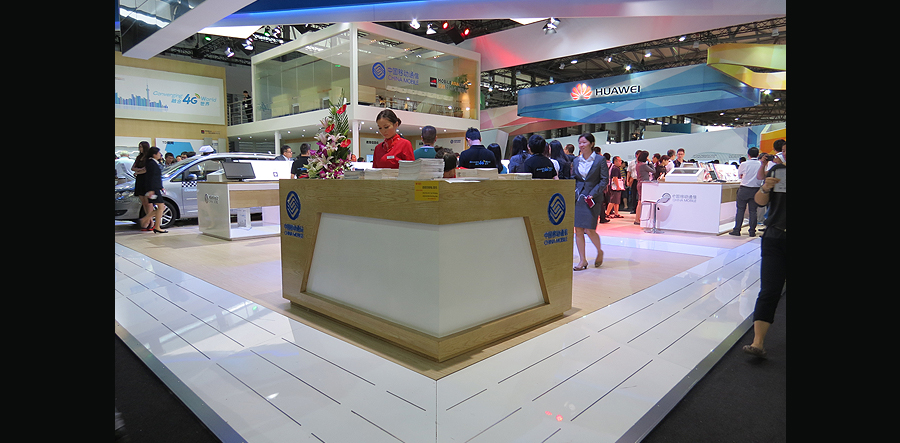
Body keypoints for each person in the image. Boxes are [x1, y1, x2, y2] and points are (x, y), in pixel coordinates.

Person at [743, 146, 786, 359]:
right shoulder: (777, 172)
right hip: (775, 238)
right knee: (769, 290)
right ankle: (757, 342)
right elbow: (760, 202)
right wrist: (766, 188)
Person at [572, 132, 607, 270]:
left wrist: (593, 194)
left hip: (593, 198)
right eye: (580, 143)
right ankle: (582, 260)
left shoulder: (600, 160)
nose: (581, 145)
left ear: (592, 144)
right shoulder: (576, 161)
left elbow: (604, 180)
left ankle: (599, 251)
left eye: (584, 142)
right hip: (579, 198)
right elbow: (574, 178)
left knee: (590, 229)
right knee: (578, 230)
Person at [729, 147, 764, 237]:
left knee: (740, 210)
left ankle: (737, 230)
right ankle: (752, 231)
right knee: (753, 211)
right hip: (756, 189)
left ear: (748, 155)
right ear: (758, 155)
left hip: (744, 189)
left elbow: (739, 175)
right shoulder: (761, 164)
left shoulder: (744, 164)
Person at [138, 147, 168, 233]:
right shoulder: (151, 163)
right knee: (161, 207)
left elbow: (156, 177)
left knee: (161, 207)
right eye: (158, 153)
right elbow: (151, 178)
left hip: (155, 188)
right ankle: (153, 224)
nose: (160, 154)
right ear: (154, 154)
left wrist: (161, 187)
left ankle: (153, 224)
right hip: (153, 189)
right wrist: (151, 190)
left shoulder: (153, 163)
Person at [131, 142, 156, 231]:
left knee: (148, 202)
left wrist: (138, 171)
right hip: (139, 180)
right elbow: (133, 168)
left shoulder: (148, 158)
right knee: (144, 202)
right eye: (139, 147)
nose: (140, 148)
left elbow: (146, 170)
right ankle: (149, 221)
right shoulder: (139, 157)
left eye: (141, 147)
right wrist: (139, 170)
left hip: (146, 180)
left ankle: (150, 222)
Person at [633, 151, 655, 225]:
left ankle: (637, 218)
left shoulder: (638, 165)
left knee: (640, 201)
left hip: (639, 183)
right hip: (644, 184)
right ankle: (637, 219)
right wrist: (650, 162)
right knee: (640, 202)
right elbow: (653, 170)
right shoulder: (644, 165)